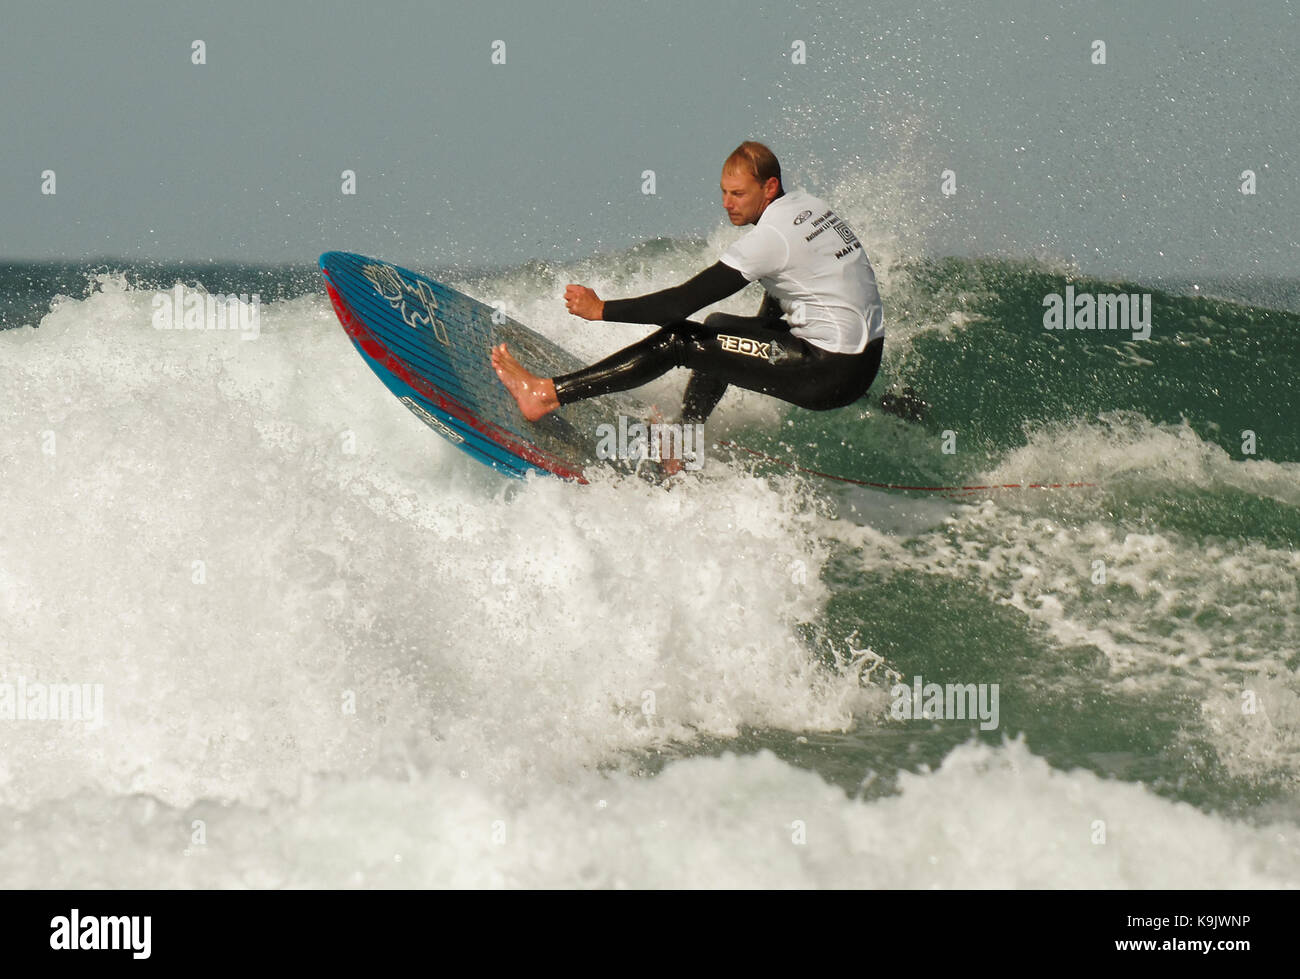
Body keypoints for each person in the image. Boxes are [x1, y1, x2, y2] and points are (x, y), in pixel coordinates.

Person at [491, 141, 885, 472]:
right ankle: (681, 442)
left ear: (769, 187)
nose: (727, 204)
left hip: (828, 369)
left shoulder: (771, 239)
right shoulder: (808, 209)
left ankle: (546, 394)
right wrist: (752, 338)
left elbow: (680, 303)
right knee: (717, 328)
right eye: (723, 192)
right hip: (858, 362)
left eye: (739, 194)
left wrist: (602, 309)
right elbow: (793, 283)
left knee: (680, 340)